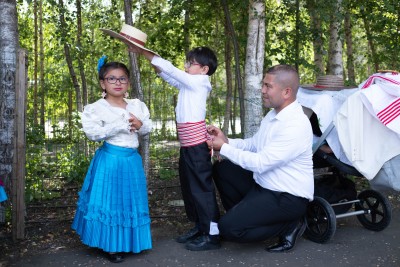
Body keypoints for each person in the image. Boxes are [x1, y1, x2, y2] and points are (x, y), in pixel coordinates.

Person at [99, 24, 221, 251]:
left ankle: (212, 233)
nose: (186, 66)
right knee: (189, 187)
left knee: (201, 189)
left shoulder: (200, 82)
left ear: (204, 69)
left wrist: (141, 50)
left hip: (196, 146)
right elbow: (166, 73)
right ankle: (200, 226)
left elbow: (171, 69)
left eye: (190, 63)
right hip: (188, 146)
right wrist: (144, 56)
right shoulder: (189, 84)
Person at [207, 64, 314, 252]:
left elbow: (261, 163)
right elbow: (254, 144)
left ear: (286, 91)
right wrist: (227, 141)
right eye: (263, 85)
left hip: (287, 197)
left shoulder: (295, 124)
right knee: (223, 169)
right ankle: (246, 217)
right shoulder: (273, 115)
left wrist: (222, 148)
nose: (262, 91)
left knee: (228, 229)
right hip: (264, 186)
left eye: (268, 86)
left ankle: (290, 225)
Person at [71, 58, 153, 263]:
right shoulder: (96, 108)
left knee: (130, 201)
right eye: (112, 78)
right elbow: (92, 133)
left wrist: (140, 123)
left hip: (132, 161)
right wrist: (120, 124)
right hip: (110, 161)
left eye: (122, 79)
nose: (117, 83)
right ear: (102, 83)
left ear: (129, 83)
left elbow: (147, 129)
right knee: (110, 202)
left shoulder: (136, 105)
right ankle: (110, 245)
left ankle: (130, 242)